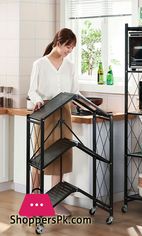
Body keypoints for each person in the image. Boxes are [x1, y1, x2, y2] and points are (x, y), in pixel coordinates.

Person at [28, 28, 79, 216]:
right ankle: (35, 202)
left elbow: (75, 91)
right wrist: (37, 100)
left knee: (61, 158)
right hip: (46, 113)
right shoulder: (40, 64)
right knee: (41, 158)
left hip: (64, 113)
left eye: (72, 48)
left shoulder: (70, 66)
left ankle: (55, 203)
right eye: (68, 46)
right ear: (58, 42)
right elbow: (32, 91)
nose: (69, 50)